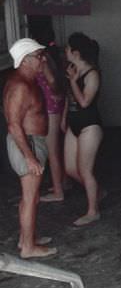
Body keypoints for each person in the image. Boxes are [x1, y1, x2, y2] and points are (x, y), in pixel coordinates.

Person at [4, 38, 57, 258]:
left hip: (31, 142)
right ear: (25, 60)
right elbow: (14, 124)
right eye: (38, 56)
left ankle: (26, 238)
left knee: (32, 196)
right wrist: (29, 157)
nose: (42, 59)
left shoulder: (26, 81)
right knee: (29, 196)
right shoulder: (20, 86)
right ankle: (27, 247)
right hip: (28, 143)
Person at [62, 32, 103, 226]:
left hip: (89, 125)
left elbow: (85, 102)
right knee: (70, 169)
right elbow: (68, 98)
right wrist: (63, 119)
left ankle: (93, 211)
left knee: (85, 171)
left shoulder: (91, 73)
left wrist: (72, 81)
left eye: (67, 48)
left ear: (75, 52)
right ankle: (96, 191)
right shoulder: (71, 69)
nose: (65, 51)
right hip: (73, 123)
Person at [32, 27, 68, 203]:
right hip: (55, 104)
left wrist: (54, 92)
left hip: (50, 106)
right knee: (57, 147)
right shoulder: (53, 54)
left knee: (52, 150)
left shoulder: (43, 59)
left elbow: (52, 80)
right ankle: (61, 181)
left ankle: (58, 191)